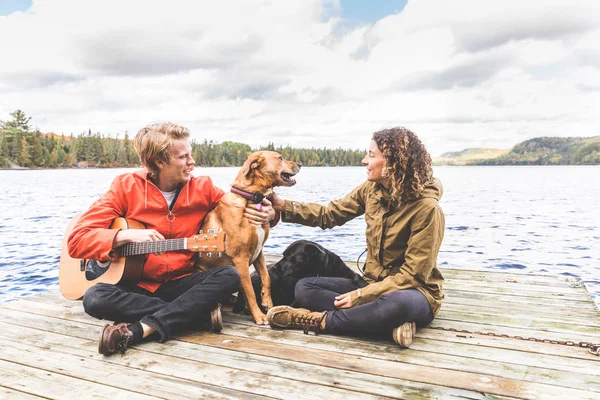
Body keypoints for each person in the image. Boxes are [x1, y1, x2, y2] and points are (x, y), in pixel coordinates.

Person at [67, 122, 274, 356]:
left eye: (190, 154)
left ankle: (139, 330)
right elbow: (77, 240)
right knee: (94, 298)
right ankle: (197, 315)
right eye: (183, 157)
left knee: (229, 276)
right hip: (137, 286)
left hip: (183, 282)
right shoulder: (125, 187)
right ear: (159, 162)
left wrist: (270, 212)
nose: (192, 162)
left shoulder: (203, 188)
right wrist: (123, 235)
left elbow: (239, 211)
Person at [249, 126, 445, 348]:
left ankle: (320, 321)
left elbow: (412, 276)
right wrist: (284, 206)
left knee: (397, 304)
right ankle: (380, 322)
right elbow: (329, 214)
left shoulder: (427, 209)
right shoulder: (372, 189)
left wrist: (360, 295)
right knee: (305, 288)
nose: (364, 161)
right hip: (370, 284)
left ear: (392, 162)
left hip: (413, 292)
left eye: (371, 155)